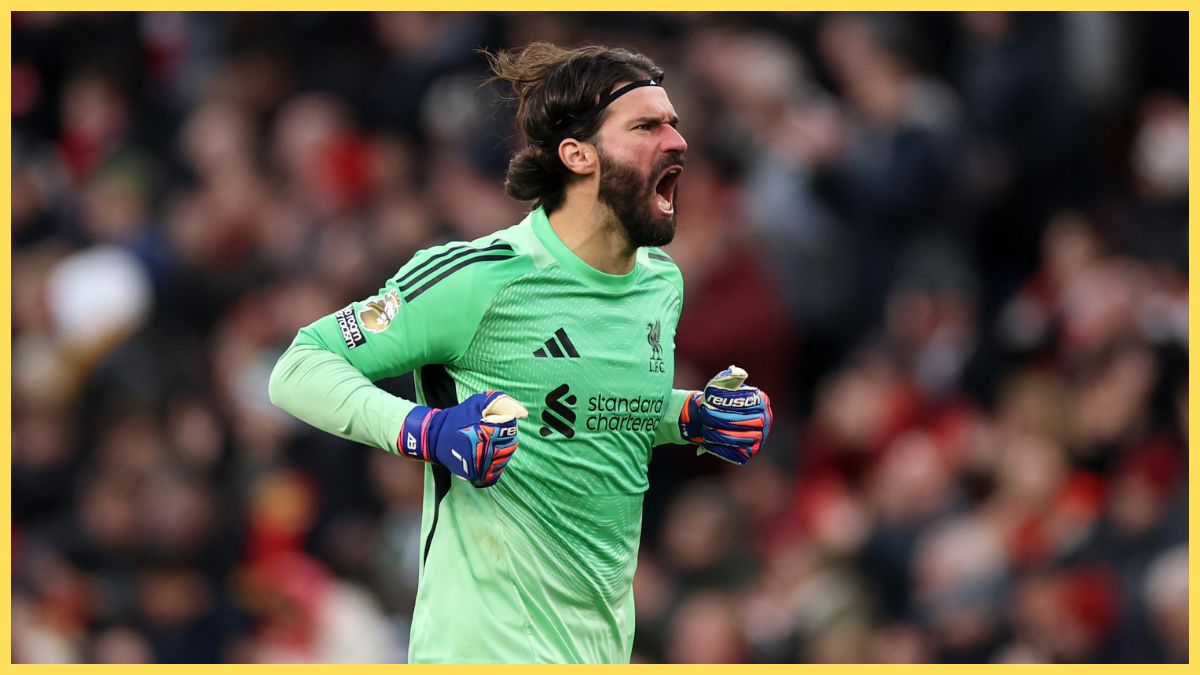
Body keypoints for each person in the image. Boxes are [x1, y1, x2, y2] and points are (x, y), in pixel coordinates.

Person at [268, 42, 774, 664]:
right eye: (647, 126)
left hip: (599, 649)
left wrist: (689, 416)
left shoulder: (659, 284)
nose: (677, 142)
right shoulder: (479, 277)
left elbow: (583, 403)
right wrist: (425, 429)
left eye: (673, 123)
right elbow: (300, 365)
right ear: (578, 154)